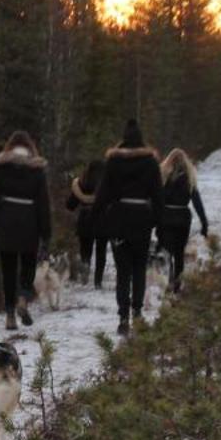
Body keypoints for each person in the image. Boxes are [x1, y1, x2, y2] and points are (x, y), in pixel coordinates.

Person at [91, 119, 161, 337]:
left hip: (119, 221)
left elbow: (102, 194)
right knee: (139, 268)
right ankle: (137, 312)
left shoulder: (113, 162)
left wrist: (97, 217)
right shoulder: (151, 163)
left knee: (123, 271)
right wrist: (158, 223)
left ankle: (123, 316)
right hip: (142, 221)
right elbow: (158, 195)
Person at [0, 131, 51, 330]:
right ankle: (23, 297)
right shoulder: (37, 171)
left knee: (8, 270)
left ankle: (10, 314)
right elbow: (44, 205)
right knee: (28, 267)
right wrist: (46, 234)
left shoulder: (1, 169)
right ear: (30, 148)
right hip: (30, 223)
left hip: (6, 223)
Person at [156, 148, 209, 293]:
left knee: (167, 250)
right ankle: (177, 284)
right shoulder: (189, 178)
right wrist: (204, 222)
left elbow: (156, 200)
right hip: (182, 218)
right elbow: (197, 202)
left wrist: (152, 220)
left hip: (165, 217)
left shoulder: (163, 177)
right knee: (179, 253)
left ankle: (168, 279)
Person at [66, 158, 109, 287]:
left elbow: (70, 205)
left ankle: (86, 264)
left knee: (86, 248)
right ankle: (98, 281)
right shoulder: (107, 185)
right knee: (101, 251)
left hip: (85, 219)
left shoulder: (80, 183)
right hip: (102, 218)